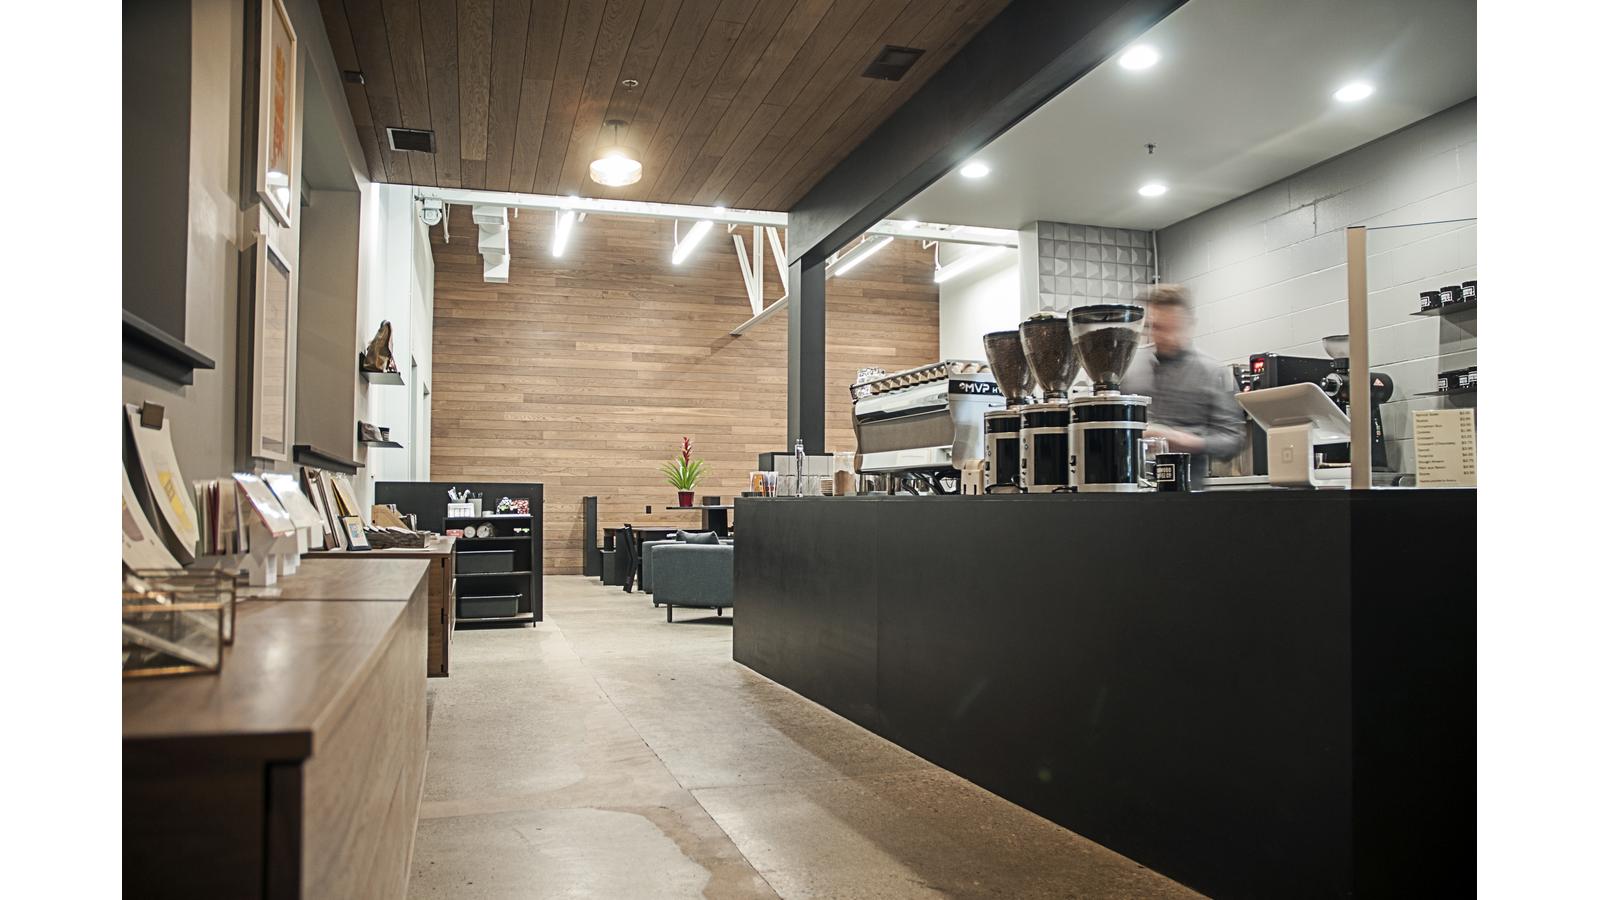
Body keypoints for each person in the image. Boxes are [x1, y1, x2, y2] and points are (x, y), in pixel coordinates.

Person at [1120, 284, 1245, 483]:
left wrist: (1182, 441)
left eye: (1174, 328)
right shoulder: (1128, 366)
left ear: (1190, 324)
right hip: (1132, 486)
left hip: (1186, 490)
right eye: (1158, 328)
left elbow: (1232, 441)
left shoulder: (1214, 373)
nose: (1166, 337)